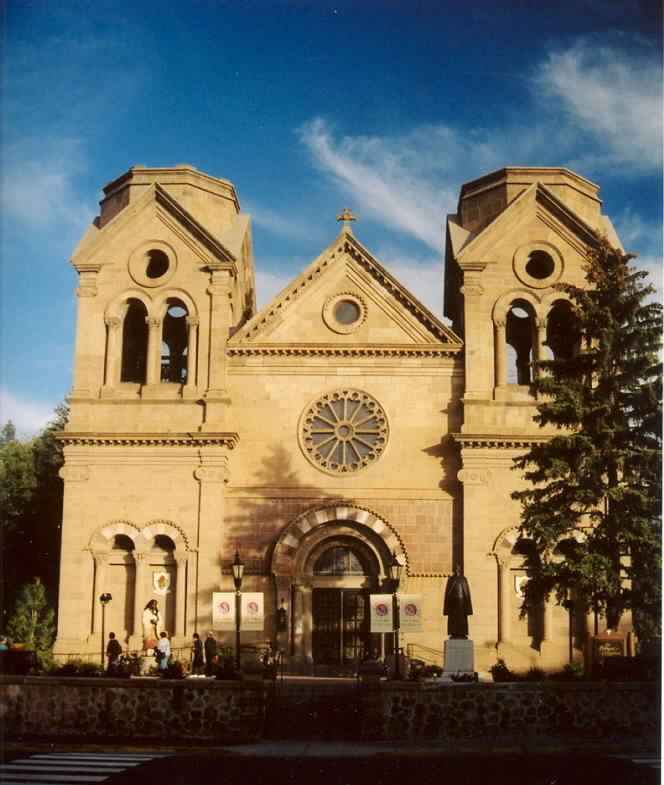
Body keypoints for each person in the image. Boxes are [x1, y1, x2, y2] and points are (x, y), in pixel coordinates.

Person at [443, 565, 473, 639]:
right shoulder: (451, 579)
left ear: (460, 570)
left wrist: (468, 607)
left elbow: (467, 593)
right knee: (454, 619)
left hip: (462, 602)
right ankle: (454, 633)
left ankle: (462, 633)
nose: (457, 570)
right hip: (453, 603)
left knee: (462, 619)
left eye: (458, 569)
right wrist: (446, 607)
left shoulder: (463, 579)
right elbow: (447, 593)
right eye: (455, 569)